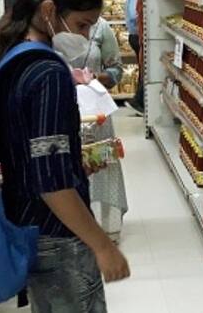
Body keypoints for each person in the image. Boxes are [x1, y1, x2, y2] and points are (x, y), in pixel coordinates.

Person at [0, 0, 130, 313]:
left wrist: (71, 163)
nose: (85, 36)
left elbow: (28, 147)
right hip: (57, 232)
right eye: (81, 25)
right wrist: (102, 245)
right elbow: (52, 184)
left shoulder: (9, 55)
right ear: (49, 11)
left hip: (25, 219)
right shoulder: (48, 72)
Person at [54, 17, 129, 243]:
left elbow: (116, 70)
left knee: (101, 163)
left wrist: (94, 77)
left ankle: (106, 226)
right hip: (60, 110)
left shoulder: (102, 28)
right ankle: (72, 226)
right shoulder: (50, 28)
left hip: (96, 113)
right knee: (67, 166)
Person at [124, 0, 144, 116]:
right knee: (146, 70)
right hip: (137, 35)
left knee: (144, 69)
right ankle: (138, 102)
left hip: (135, 35)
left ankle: (140, 102)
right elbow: (133, 15)